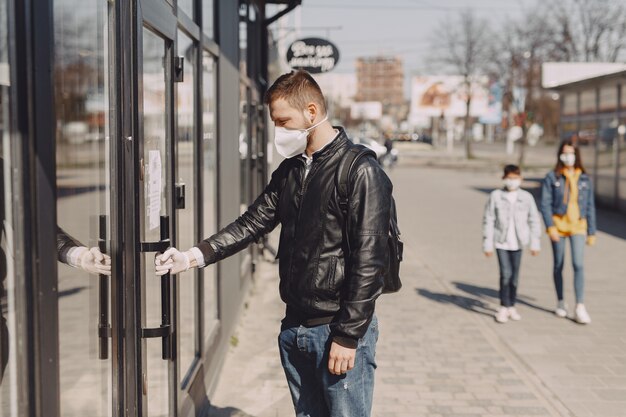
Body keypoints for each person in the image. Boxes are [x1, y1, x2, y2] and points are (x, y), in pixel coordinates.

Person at [154, 70, 392, 417]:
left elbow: (371, 261)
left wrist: (348, 335)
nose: (279, 130)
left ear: (312, 112)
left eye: (284, 121)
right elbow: (252, 223)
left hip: (336, 329)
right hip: (295, 328)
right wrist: (192, 256)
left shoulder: (360, 171)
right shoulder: (291, 171)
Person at [540, 139, 596, 324]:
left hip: (578, 226)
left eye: (571, 153)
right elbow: (545, 204)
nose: (568, 156)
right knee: (559, 264)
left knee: (578, 264)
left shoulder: (584, 178)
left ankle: (580, 305)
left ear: (576, 155)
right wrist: (550, 227)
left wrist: (591, 231)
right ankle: (561, 301)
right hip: (558, 226)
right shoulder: (552, 177)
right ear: (559, 155)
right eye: (564, 153)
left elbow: (589, 206)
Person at [483, 164, 541, 323]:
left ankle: (511, 305)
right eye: (509, 178)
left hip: (519, 242)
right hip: (501, 242)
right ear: (504, 178)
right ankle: (503, 305)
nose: (512, 181)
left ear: (520, 179)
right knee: (505, 274)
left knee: (514, 277)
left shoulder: (526, 197)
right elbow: (488, 220)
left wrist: (535, 243)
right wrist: (487, 243)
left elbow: (534, 220)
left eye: (515, 178)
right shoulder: (495, 196)